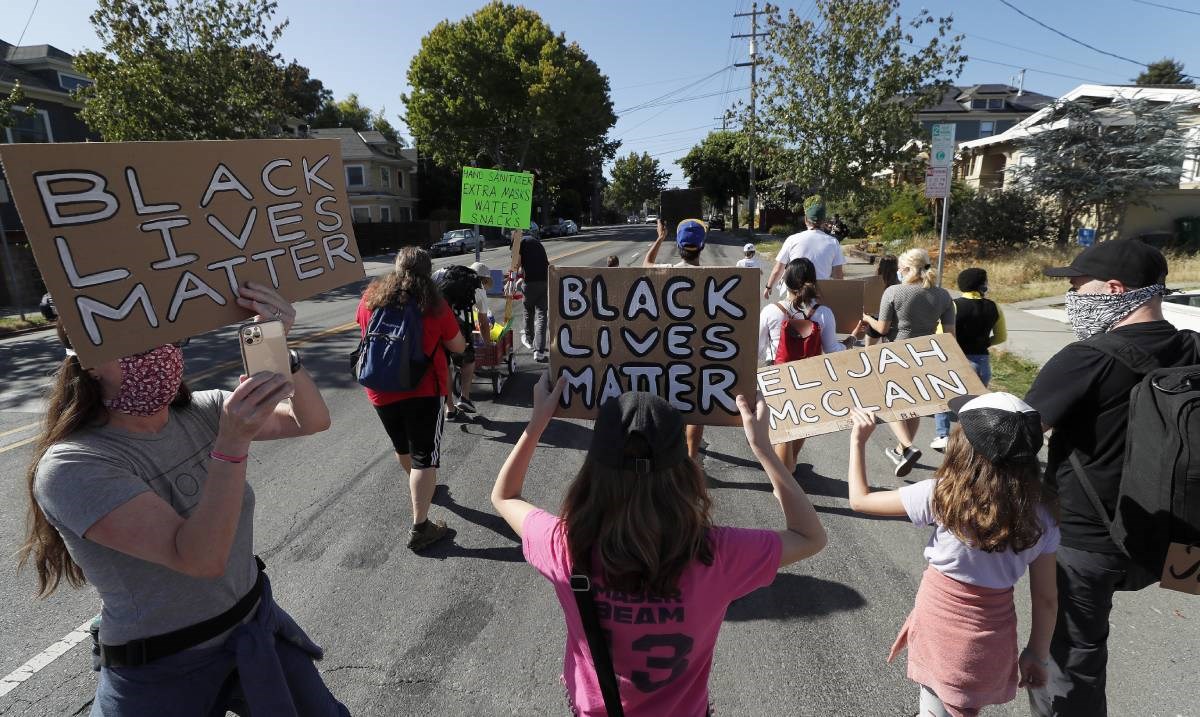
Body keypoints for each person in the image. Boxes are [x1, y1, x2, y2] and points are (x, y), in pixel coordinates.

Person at [19, 283, 347, 716]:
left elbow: (310, 420)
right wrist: (230, 445)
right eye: (136, 348)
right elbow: (200, 559)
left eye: (169, 340)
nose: (158, 356)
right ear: (89, 360)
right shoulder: (73, 466)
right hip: (160, 665)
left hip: (253, 628)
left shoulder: (205, 410)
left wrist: (274, 344)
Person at [491, 377, 827, 717]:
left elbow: (504, 496)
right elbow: (809, 536)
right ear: (684, 472)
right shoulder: (716, 553)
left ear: (592, 471)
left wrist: (536, 425)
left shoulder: (564, 544)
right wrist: (763, 448)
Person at [1024, 239, 1195, 717]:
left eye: (1078, 288)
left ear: (1114, 290)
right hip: (1172, 537)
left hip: (1086, 539)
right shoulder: (1191, 347)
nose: (1072, 299)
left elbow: (1011, 434)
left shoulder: (1086, 357)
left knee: (1075, 658)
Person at [846, 394, 1059, 717]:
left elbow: (860, 500)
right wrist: (1037, 653)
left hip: (940, 628)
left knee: (936, 708)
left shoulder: (943, 494)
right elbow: (1046, 598)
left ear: (964, 448)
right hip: (993, 638)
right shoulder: (1042, 515)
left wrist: (858, 442)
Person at [357, 247, 467, 551]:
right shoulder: (434, 305)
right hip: (422, 390)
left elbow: (363, 329)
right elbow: (457, 346)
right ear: (428, 271)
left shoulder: (370, 298)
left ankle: (420, 483)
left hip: (379, 389)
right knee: (424, 458)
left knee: (401, 446)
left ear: (396, 267)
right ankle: (421, 527)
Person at [758, 258, 860, 474]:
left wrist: (770, 355)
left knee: (784, 426)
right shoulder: (824, 313)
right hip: (811, 377)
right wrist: (850, 341)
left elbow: (758, 348)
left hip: (780, 375)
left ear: (786, 280)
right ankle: (791, 463)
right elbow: (832, 350)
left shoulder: (771, 311)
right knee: (801, 423)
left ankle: (784, 474)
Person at [860, 247, 955, 477]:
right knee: (915, 407)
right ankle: (902, 449)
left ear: (905, 269)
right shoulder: (943, 295)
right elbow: (950, 336)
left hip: (897, 353)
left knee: (888, 402)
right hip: (926, 356)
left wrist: (865, 318)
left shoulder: (893, 292)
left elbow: (882, 329)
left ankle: (909, 447)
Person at [644, 218, 709, 462]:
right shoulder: (714, 277)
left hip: (668, 353)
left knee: (670, 405)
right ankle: (691, 462)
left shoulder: (666, 272)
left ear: (679, 246)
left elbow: (645, 263)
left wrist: (660, 237)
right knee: (696, 409)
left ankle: (671, 457)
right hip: (700, 354)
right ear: (702, 247)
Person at [931, 268, 1007, 451]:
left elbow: (942, 335)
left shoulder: (954, 305)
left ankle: (942, 435)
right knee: (974, 406)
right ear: (983, 284)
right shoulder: (994, 306)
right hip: (982, 361)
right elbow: (1001, 337)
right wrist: (984, 344)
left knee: (943, 397)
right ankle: (968, 440)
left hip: (958, 358)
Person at [763, 194, 846, 299]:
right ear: (824, 221)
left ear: (806, 219)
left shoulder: (792, 239)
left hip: (794, 296)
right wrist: (841, 295)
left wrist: (769, 286)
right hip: (819, 296)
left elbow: (778, 269)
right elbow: (838, 274)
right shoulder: (833, 242)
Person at [519, 227, 551, 363]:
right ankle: (539, 350)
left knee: (528, 311)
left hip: (530, 283)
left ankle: (531, 340)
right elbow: (546, 263)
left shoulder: (518, 244)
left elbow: (517, 265)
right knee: (542, 315)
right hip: (544, 281)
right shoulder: (537, 243)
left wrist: (516, 279)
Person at [863, 254, 900, 346]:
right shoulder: (899, 283)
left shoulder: (872, 282)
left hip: (875, 320)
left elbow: (866, 302)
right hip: (894, 320)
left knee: (869, 350)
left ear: (879, 266)